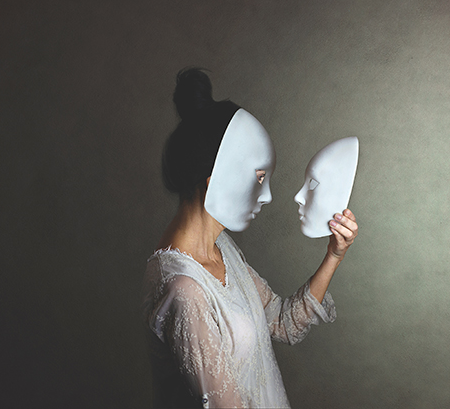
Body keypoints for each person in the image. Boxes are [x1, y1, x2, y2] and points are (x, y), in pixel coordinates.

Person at [142, 68, 358, 408]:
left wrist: (334, 254)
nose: (268, 195)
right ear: (215, 180)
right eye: (259, 178)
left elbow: (283, 323)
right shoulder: (183, 291)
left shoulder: (221, 249)